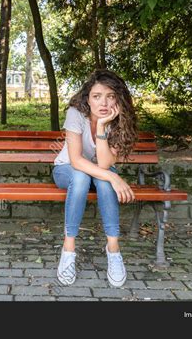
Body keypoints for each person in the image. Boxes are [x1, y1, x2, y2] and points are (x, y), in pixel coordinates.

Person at [52, 69, 138, 287]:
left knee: (103, 180)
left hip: (98, 169)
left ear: (118, 99)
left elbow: (103, 164)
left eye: (110, 96)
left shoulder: (119, 122)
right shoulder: (75, 113)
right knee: (83, 177)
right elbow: (76, 161)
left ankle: (113, 249)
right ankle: (69, 249)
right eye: (97, 96)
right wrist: (113, 177)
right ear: (87, 99)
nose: (104, 102)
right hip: (67, 169)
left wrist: (101, 126)